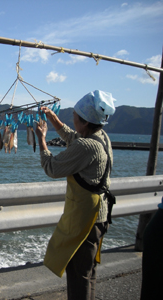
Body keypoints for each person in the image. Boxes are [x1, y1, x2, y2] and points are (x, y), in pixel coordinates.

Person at [35, 90, 116, 300]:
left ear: (85, 121)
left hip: (86, 220)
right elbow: (73, 137)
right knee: (88, 273)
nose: (73, 117)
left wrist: (42, 140)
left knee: (79, 275)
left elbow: (52, 168)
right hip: (99, 215)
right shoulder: (101, 137)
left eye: (75, 116)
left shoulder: (86, 146)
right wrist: (54, 119)